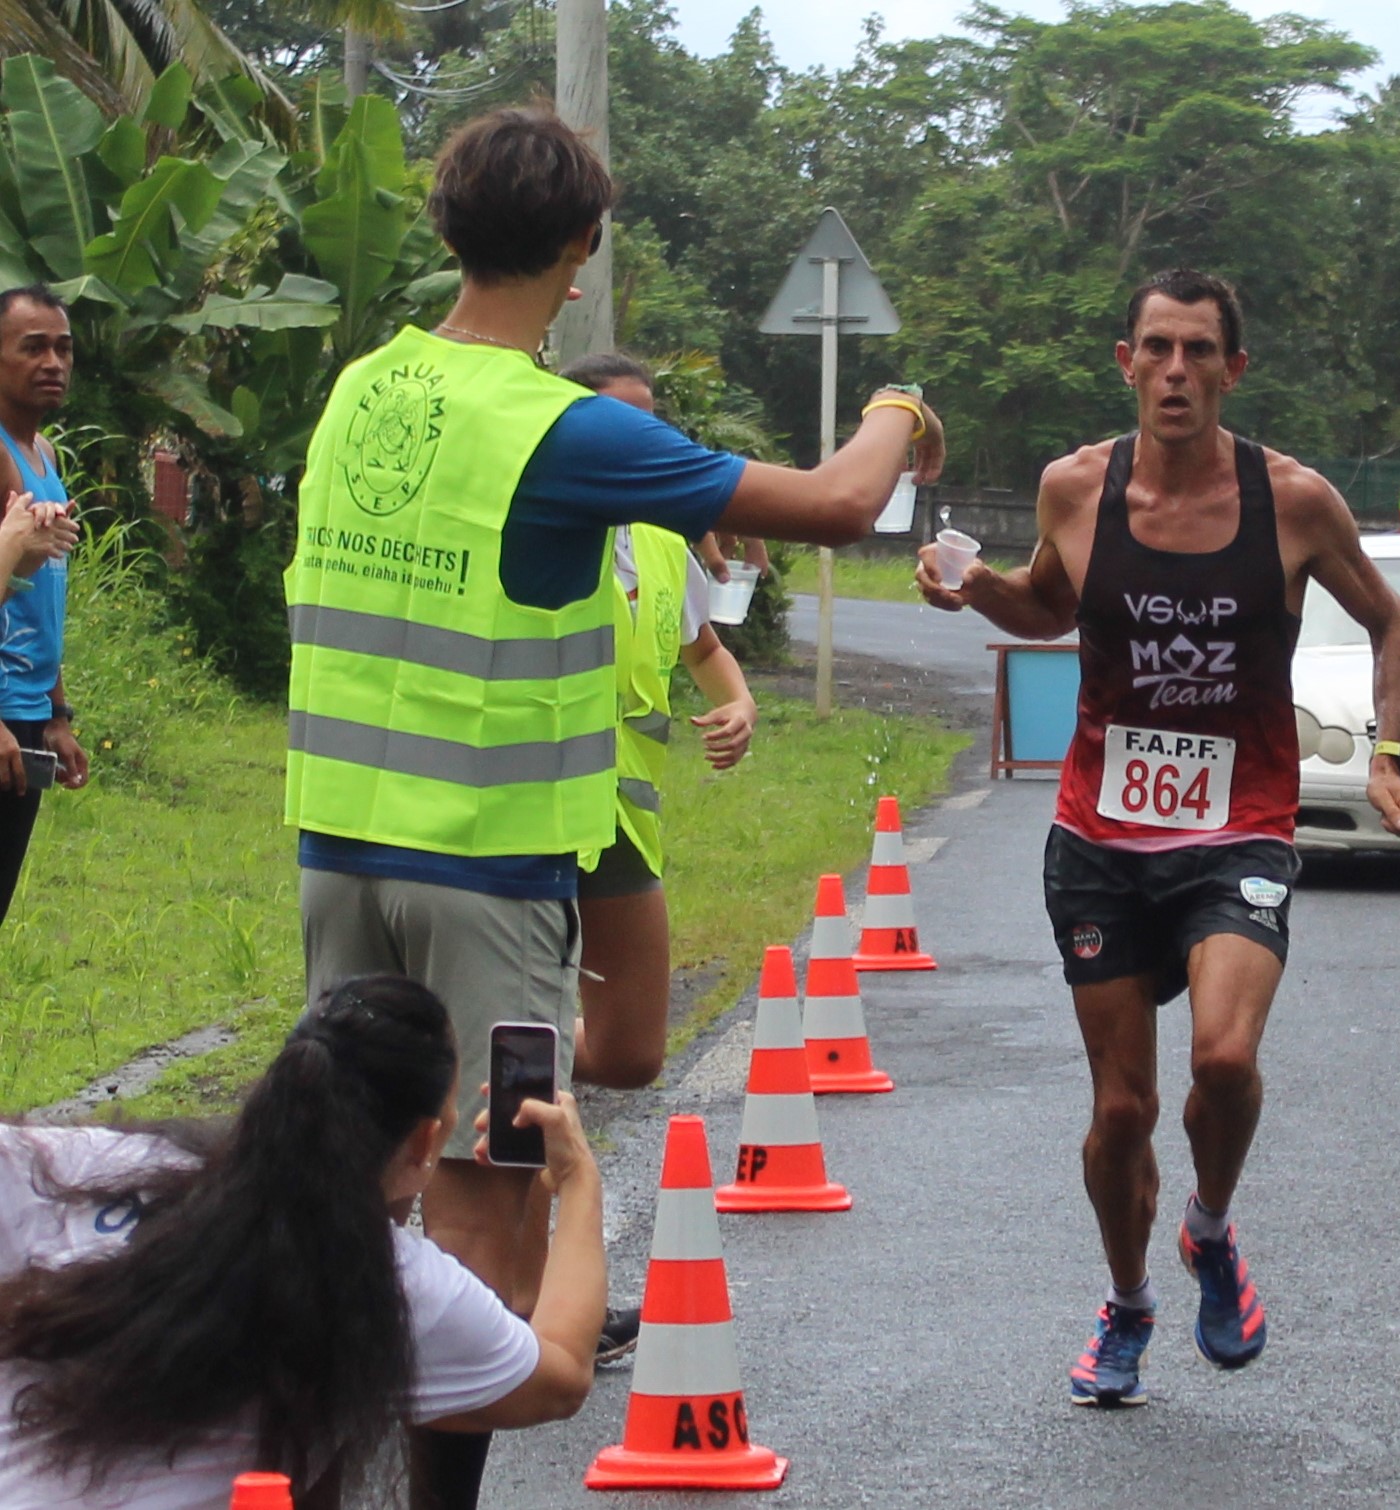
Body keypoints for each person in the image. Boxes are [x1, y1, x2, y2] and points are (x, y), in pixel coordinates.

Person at [287, 103, 942, 1505]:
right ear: (581, 252)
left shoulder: (360, 390)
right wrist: (897, 412)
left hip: (337, 846)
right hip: (486, 868)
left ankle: (301, 1473)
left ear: (445, 225)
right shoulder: (560, 429)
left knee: (344, 1186)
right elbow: (831, 505)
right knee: (485, 1198)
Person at [917, 268, 1400, 1407]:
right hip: (1100, 833)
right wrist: (975, 588)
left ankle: (1207, 1225)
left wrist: (1392, 757)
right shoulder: (1074, 488)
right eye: (1157, 349)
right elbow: (1048, 607)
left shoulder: (1291, 501)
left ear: (1232, 370)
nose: (1177, 371)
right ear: (1126, 363)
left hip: (1237, 824)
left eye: (1200, 351)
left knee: (1225, 1060)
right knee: (1120, 1112)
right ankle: (1130, 1301)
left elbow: (1392, 619)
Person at [0, 974, 605, 1510]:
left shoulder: (95, 1167)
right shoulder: (395, 1285)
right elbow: (562, 1372)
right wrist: (577, 1182)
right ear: (425, 1144)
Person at [549, 352, 758, 1359]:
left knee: (628, 1052)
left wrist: (739, 701)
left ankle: (494, 1063)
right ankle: (528, 1296)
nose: (644, 442)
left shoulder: (663, 541)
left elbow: (702, 649)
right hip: (529, 814)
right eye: (620, 422)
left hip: (622, 826)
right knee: (517, 1067)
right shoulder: (543, 522)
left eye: (655, 424)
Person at [0, 285, 87, 927]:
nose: (52, 362)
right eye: (32, 348)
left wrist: (57, 712)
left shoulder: (44, 455)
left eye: (62, 348)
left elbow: (41, 599)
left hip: (27, 714)